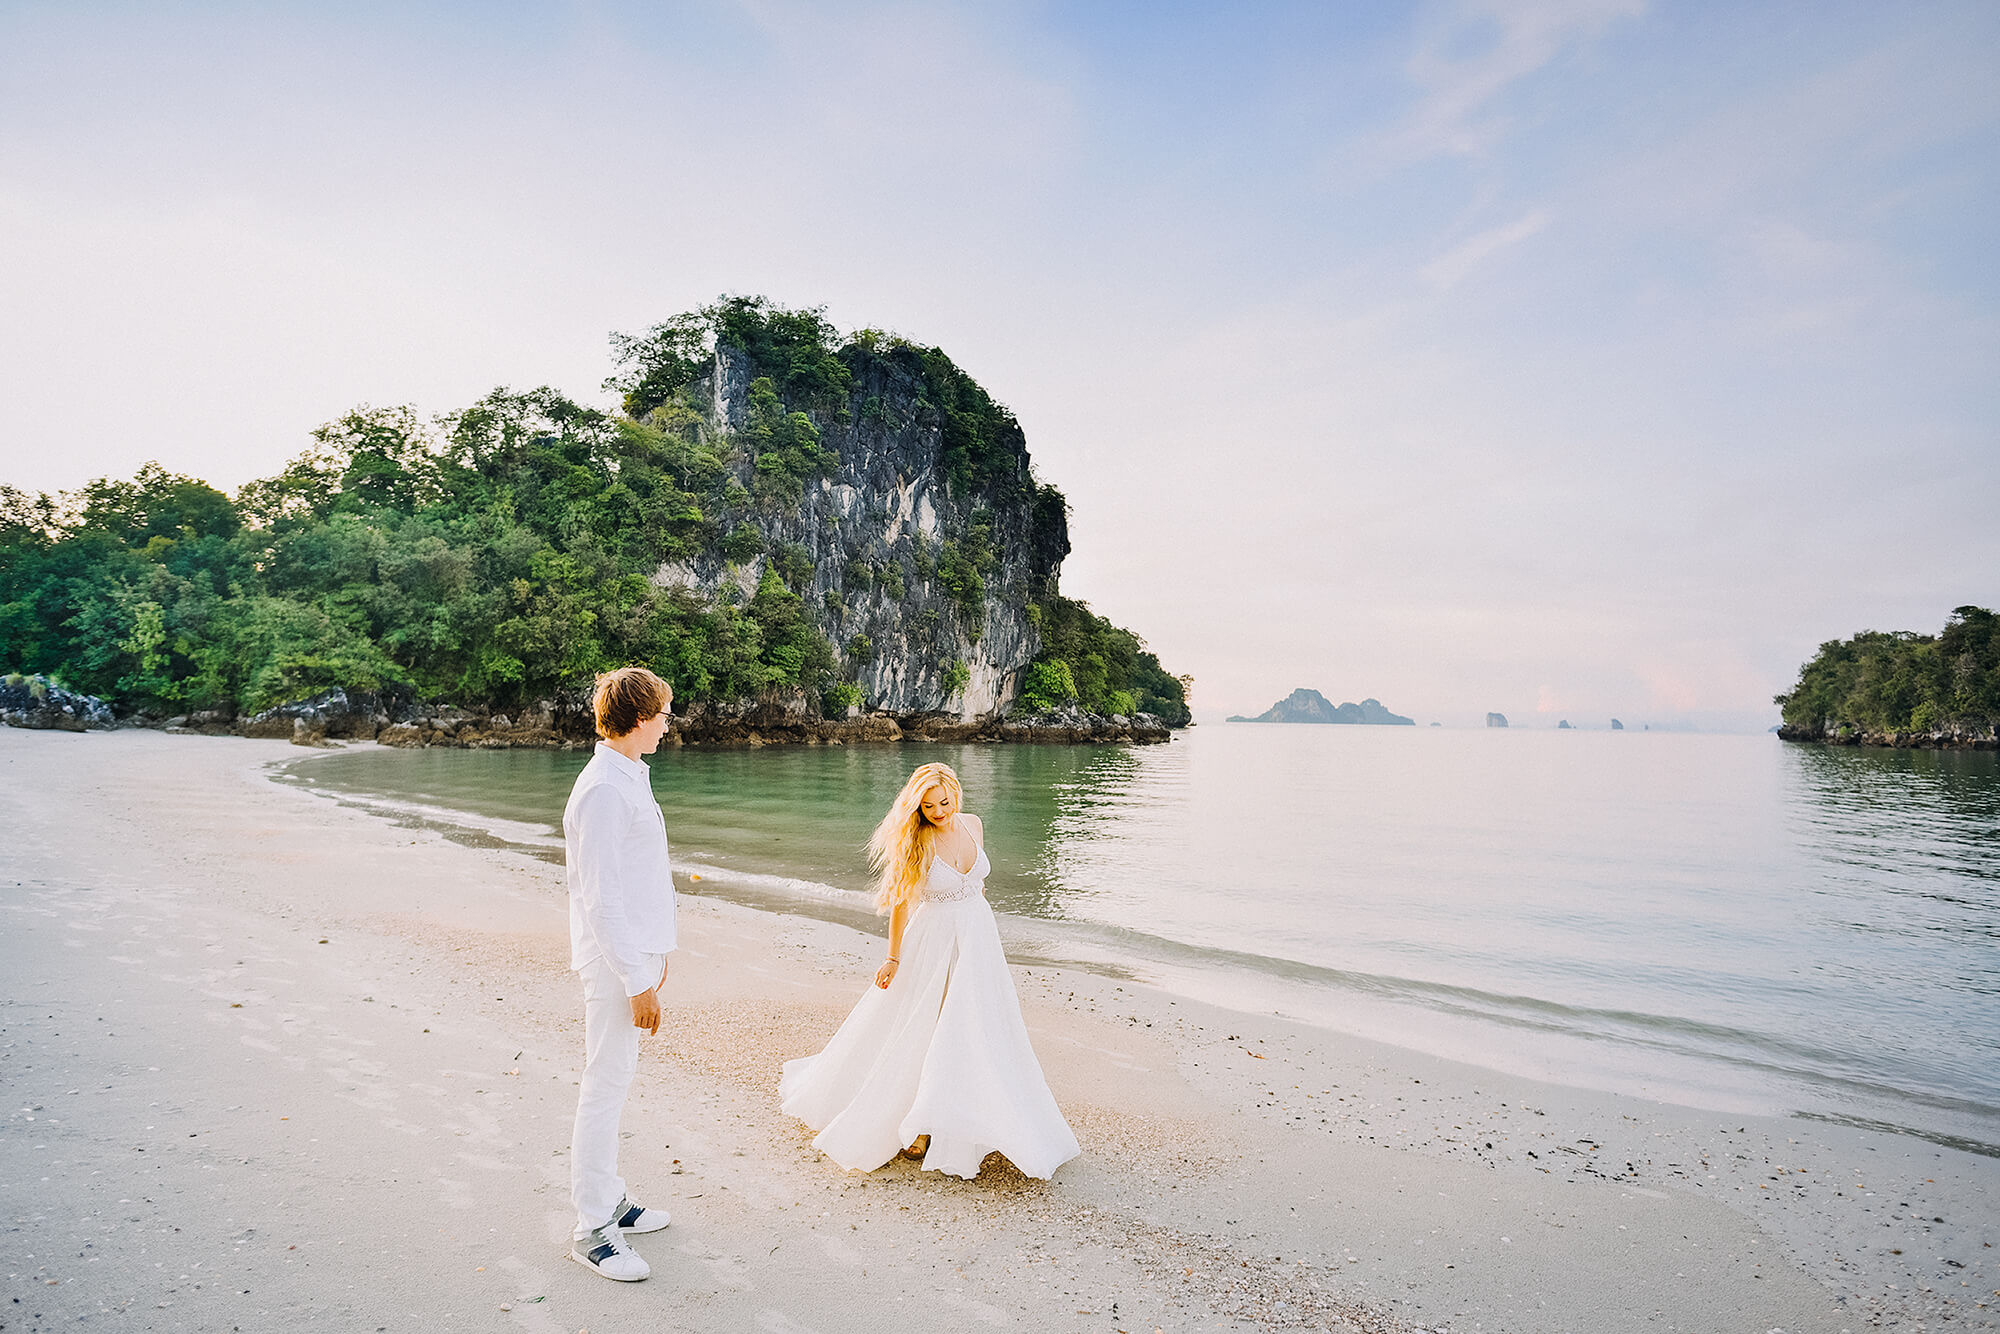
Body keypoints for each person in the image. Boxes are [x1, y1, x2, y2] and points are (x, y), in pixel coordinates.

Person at [779, 762, 1080, 1179]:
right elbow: (901, 903)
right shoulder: (916, 840)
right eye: (929, 805)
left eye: (944, 800)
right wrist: (893, 957)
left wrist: (973, 913)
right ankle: (917, 1125)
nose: (940, 810)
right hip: (933, 940)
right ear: (917, 807)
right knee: (927, 1028)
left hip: (977, 940)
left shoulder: (973, 823)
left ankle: (973, 1117)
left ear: (955, 792)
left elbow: (977, 885)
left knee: (976, 1027)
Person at [564, 666, 678, 1281]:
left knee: (616, 1078)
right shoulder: (604, 788)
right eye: (662, 714)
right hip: (614, 964)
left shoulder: (629, 774)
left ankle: (612, 1199)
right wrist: (636, 980)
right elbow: (600, 898)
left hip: (633, 956)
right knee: (604, 1085)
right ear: (638, 719)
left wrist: (654, 960)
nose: (668, 723)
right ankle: (592, 1228)